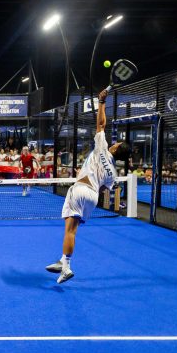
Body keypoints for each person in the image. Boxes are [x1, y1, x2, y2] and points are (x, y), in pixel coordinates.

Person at [46, 87, 129, 284]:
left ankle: (66, 267)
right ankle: (63, 261)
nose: (114, 143)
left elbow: (100, 124)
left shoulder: (102, 147)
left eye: (117, 143)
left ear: (116, 148)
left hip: (80, 190)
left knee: (69, 230)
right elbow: (103, 189)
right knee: (73, 230)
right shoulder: (113, 174)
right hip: (93, 197)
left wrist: (101, 102)